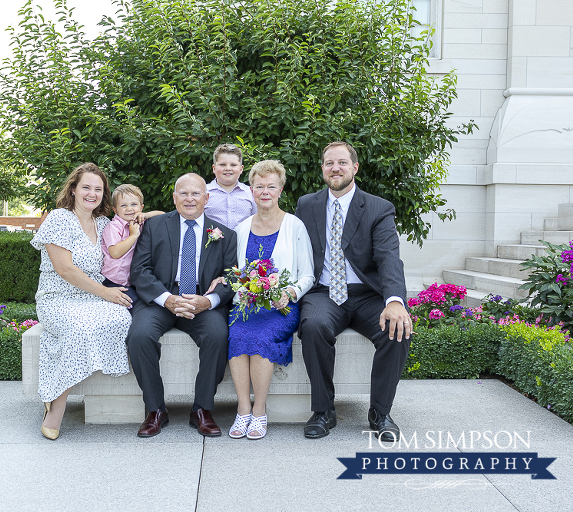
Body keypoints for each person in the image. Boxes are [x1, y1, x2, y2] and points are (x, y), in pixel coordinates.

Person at [295, 141, 412, 442]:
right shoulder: (306, 205)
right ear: (322, 168)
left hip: (366, 295)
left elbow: (388, 257)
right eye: (329, 163)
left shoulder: (378, 208)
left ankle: (380, 412)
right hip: (323, 292)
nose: (335, 168)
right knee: (314, 325)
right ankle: (323, 411)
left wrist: (395, 301)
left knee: (396, 329)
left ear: (355, 167)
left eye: (342, 163)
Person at [127, 173, 237, 438]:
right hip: (161, 299)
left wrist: (208, 301)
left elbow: (232, 277)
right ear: (174, 198)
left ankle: (202, 409)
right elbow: (139, 271)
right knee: (139, 336)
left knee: (218, 335)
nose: (190, 199)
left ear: (206, 198)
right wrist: (167, 299)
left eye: (196, 193)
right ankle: (155, 410)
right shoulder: (154, 227)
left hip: (201, 300)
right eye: (183, 194)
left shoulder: (225, 235)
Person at [30, 163, 133, 440]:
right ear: (73, 189)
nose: (92, 193)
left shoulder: (103, 224)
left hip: (92, 297)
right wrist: (107, 293)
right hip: (58, 297)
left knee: (122, 317)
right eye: (86, 187)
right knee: (77, 329)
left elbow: (142, 216)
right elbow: (65, 269)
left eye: (98, 189)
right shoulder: (59, 219)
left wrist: (143, 213)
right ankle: (55, 406)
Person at [224, 160, 315, 440]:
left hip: (281, 307)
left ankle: (260, 412)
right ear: (251, 190)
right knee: (237, 336)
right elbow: (235, 274)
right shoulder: (241, 229)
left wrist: (289, 293)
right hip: (246, 305)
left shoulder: (294, 226)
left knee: (262, 339)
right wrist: (243, 292)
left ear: (281, 189)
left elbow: (308, 275)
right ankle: (243, 411)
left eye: (271, 186)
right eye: (259, 186)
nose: (265, 191)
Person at [100, 184, 164, 305]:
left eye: (134, 204)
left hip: (133, 279)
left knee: (150, 300)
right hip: (114, 280)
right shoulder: (113, 227)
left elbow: (164, 216)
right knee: (134, 303)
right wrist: (133, 236)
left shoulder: (141, 221)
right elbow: (115, 253)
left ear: (141, 207)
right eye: (123, 205)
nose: (129, 209)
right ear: (115, 210)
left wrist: (146, 215)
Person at [204, 143, 257, 230]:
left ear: (241, 169)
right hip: (211, 242)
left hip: (242, 242)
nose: (228, 168)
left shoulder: (250, 193)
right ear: (214, 168)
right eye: (222, 164)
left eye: (233, 165)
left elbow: (256, 220)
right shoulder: (204, 192)